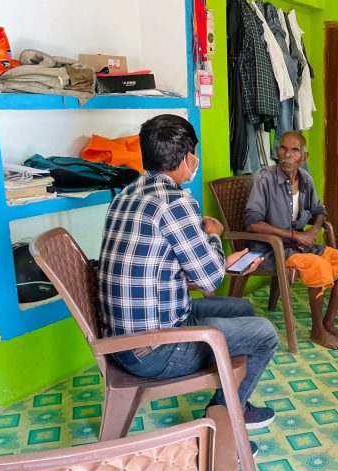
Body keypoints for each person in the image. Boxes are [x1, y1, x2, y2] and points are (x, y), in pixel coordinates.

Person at [97, 114, 278, 451]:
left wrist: (204, 246)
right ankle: (224, 424)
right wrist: (212, 235)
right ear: (187, 158)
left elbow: (164, 264)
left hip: (125, 338)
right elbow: (209, 280)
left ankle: (229, 406)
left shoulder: (128, 194)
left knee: (242, 308)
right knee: (264, 333)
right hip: (153, 350)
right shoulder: (175, 202)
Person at [245, 131, 338, 350]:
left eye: (295, 150)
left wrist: (313, 231)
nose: (287, 154)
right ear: (277, 152)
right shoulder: (263, 178)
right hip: (271, 249)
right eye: (283, 149)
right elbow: (252, 222)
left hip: (301, 246)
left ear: (304, 157)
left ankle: (328, 323)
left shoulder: (306, 179)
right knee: (319, 264)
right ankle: (317, 331)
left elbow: (319, 211)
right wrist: (296, 235)